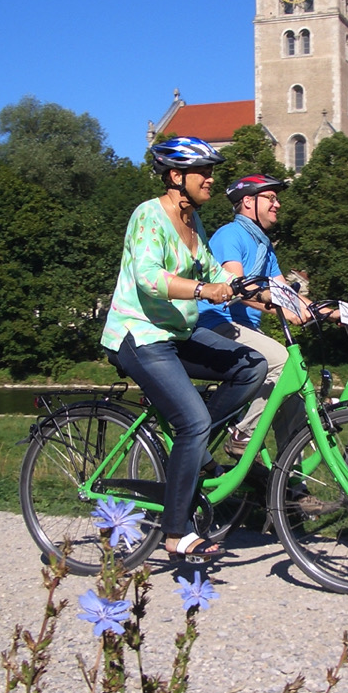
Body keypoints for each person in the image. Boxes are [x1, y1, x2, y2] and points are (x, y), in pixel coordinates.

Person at [101, 137, 268, 562]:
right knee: (192, 421)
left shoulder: (195, 225)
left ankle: (193, 450)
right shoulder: (148, 216)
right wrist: (202, 289)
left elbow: (217, 273)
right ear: (177, 177)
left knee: (252, 365)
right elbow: (148, 277)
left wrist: (267, 296)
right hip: (138, 335)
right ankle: (175, 534)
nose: (212, 180)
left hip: (175, 334)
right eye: (204, 173)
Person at [197, 174, 310, 457]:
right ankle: (242, 436)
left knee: (293, 390)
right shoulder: (229, 235)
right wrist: (283, 307)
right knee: (283, 363)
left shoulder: (265, 246)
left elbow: (283, 290)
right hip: (217, 324)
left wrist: (328, 310)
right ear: (248, 201)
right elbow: (238, 288)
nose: (278, 204)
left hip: (245, 331)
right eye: (270, 198)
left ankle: (290, 486)